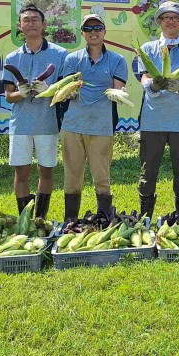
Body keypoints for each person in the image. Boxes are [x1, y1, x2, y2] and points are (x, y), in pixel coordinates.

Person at [136, 1, 179, 217]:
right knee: (148, 170)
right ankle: (145, 217)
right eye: (166, 17)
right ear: (159, 22)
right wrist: (149, 85)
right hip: (153, 119)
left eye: (175, 17)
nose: (171, 21)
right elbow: (144, 74)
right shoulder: (147, 49)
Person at [59, 13, 129, 221]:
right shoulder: (72, 59)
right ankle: (70, 221)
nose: (93, 32)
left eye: (97, 28)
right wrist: (69, 92)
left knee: (101, 177)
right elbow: (66, 89)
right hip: (72, 125)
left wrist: (118, 94)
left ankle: (104, 219)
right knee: (72, 177)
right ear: (82, 33)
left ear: (104, 31)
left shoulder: (117, 60)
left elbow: (118, 91)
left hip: (101, 125)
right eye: (88, 29)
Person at [2, 4, 68, 219]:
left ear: (43, 24)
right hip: (20, 124)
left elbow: (65, 91)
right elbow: (9, 96)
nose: (30, 23)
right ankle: (24, 217)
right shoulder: (12, 58)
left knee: (46, 170)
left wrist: (47, 91)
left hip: (47, 123)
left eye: (35, 19)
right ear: (19, 26)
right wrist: (22, 93)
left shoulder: (60, 54)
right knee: (21, 172)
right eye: (26, 20)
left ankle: (40, 217)